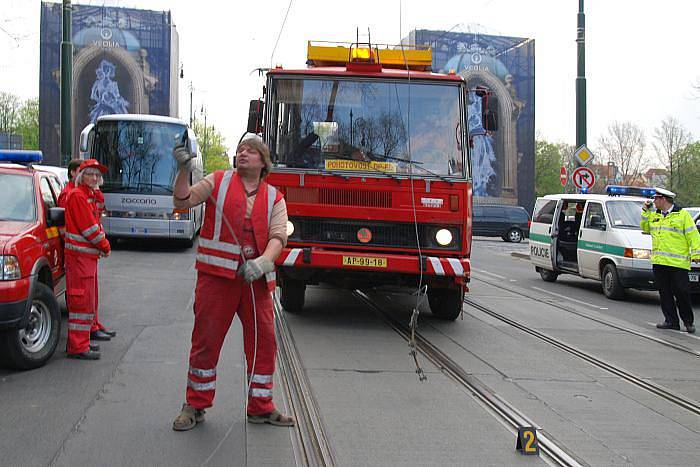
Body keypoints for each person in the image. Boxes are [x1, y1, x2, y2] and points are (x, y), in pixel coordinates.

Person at [171, 134, 295, 431]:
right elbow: (182, 201)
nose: (243, 153)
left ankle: (261, 407)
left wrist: (264, 262)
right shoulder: (217, 181)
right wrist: (182, 170)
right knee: (206, 342)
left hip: (256, 281)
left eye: (251, 151)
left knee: (264, 343)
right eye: (240, 149)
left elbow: (279, 237)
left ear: (264, 163)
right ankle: (195, 404)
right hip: (217, 279)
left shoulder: (275, 198)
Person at [59, 159, 115, 342]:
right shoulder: (77, 196)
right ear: (81, 176)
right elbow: (90, 229)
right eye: (90, 174)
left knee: (88, 299)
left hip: (87, 257)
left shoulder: (87, 195)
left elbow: (96, 218)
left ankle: (86, 336)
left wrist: (97, 192)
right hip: (79, 258)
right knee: (81, 302)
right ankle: (78, 345)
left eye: (97, 175)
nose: (95, 178)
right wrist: (105, 246)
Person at [641, 188, 700, 333]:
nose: (653, 201)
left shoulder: (682, 215)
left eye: (656, 199)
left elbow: (693, 235)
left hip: (677, 263)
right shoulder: (655, 215)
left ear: (664, 199)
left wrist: (696, 254)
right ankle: (671, 321)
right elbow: (646, 228)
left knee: (682, 292)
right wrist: (645, 212)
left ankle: (688, 321)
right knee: (665, 293)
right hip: (660, 262)